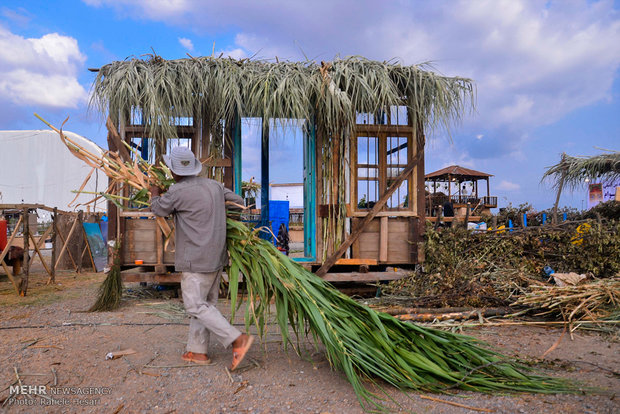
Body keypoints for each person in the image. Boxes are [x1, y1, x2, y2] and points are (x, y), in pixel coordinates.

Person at [150, 146, 253, 370]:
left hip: (195, 259)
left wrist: (154, 191)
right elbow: (238, 201)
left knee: (196, 305)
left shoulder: (176, 192)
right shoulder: (215, 186)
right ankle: (198, 352)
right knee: (206, 305)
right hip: (216, 256)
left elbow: (158, 209)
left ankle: (237, 339)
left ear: (174, 171)